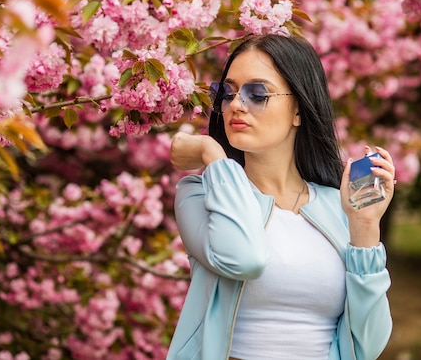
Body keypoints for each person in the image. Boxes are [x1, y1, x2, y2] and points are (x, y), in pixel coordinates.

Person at [166, 34, 395, 360]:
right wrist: (211, 153)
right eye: (227, 93)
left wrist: (365, 227)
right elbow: (243, 259)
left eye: (257, 93)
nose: (236, 105)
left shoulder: (338, 206)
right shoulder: (201, 195)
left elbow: (367, 344)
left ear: (298, 110)